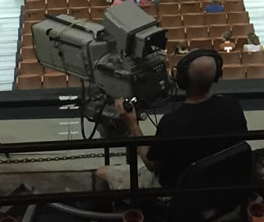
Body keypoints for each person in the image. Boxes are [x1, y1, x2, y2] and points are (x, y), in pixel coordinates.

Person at [102, 51, 248, 190]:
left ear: (182, 80)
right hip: (224, 186)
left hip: (178, 193)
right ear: (217, 75)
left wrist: (133, 124)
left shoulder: (172, 123)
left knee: (102, 172)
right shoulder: (233, 106)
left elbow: (151, 164)